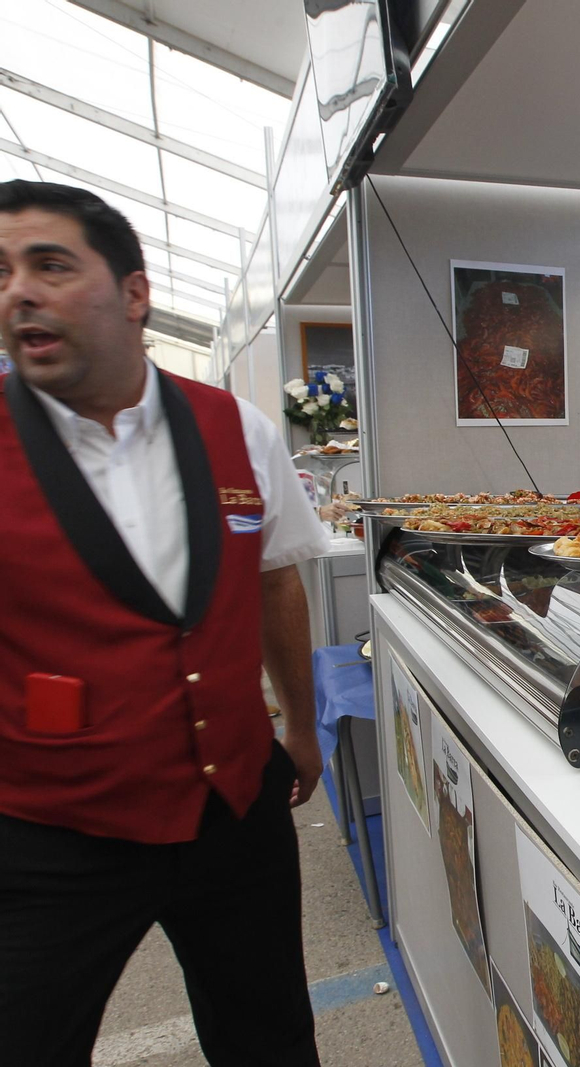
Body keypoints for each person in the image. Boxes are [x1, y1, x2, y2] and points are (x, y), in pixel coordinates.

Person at [0, 180, 329, 1065]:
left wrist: (300, 726)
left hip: (232, 807)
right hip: (51, 831)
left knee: (267, 1034)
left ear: (134, 292)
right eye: (1, 273)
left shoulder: (239, 428)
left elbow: (273, 583)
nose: (17, 291)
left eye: (50, 265)